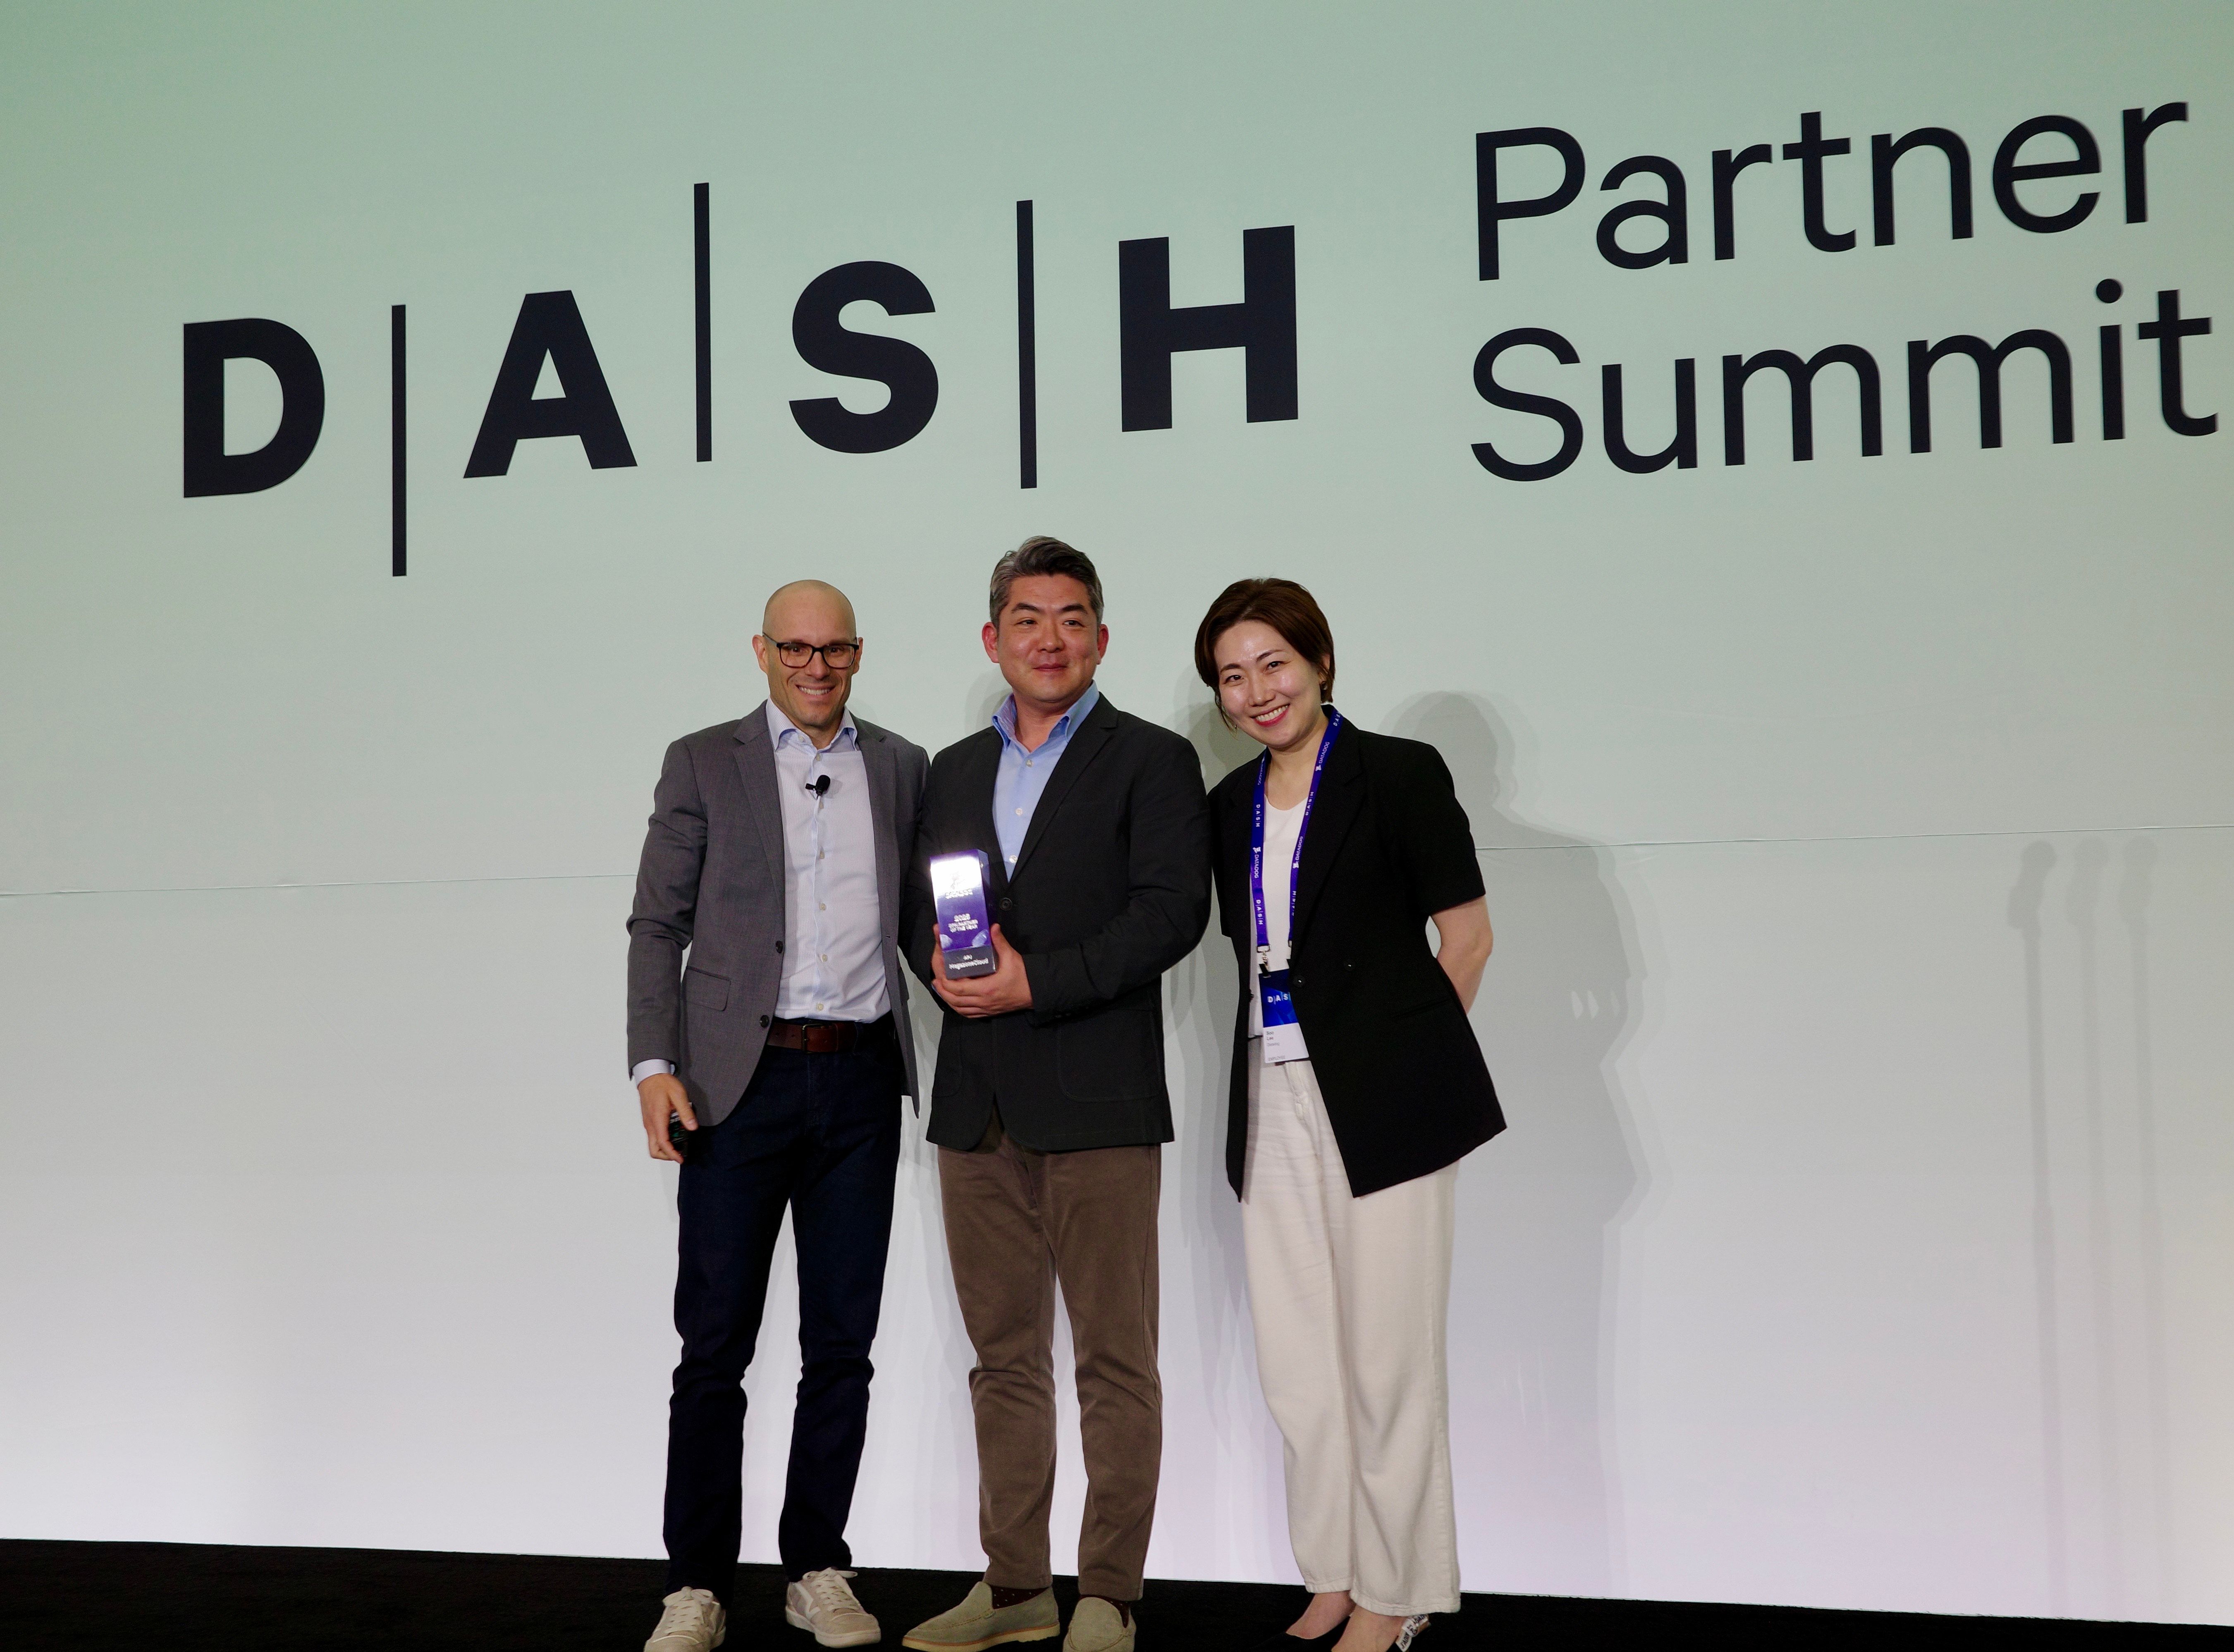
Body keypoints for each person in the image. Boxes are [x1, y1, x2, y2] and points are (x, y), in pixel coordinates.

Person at [898, 537, 1213, 1652]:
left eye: (1072, 619)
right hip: (975, 1106)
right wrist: (942, 966)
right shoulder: (949, 770)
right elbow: (920, 911)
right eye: (1028, 619)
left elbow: (1171, 912)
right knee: (1003, 1359)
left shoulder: (1153, 759)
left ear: (1102, 638)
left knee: (1115, 1360)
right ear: (993, 639)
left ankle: (1110, 1593)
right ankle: (1016, 1586)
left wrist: (1038, 980)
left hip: (1100, 1102)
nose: (1050, 638)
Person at [1194, 579, 1501, 1652]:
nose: (1257, 690)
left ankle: (1400, 1587)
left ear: (1320, 662)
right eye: (1233, 676)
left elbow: (1467, 938)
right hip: (1271, 1090)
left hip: (1384, 1101)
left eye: (1273, 663)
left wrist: (1403, 1062)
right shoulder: (1226, 805)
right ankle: (1331, 1569)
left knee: (1387, 1360)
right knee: (1297, 1360)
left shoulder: (1399, 774)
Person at [627, 580, 929, 1652]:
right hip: (733, 1086)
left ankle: (816, 1566)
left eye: (833, 648)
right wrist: (653, 1065)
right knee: (714, 1345)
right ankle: (696, 1584)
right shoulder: (702, 760)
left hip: (859, 1081)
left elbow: (931, 918)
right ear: (760, 651)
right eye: (795, 648)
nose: (815, 666)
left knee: (842, 1343)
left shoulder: (902, 765)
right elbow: (657, 923)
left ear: (859, 653)